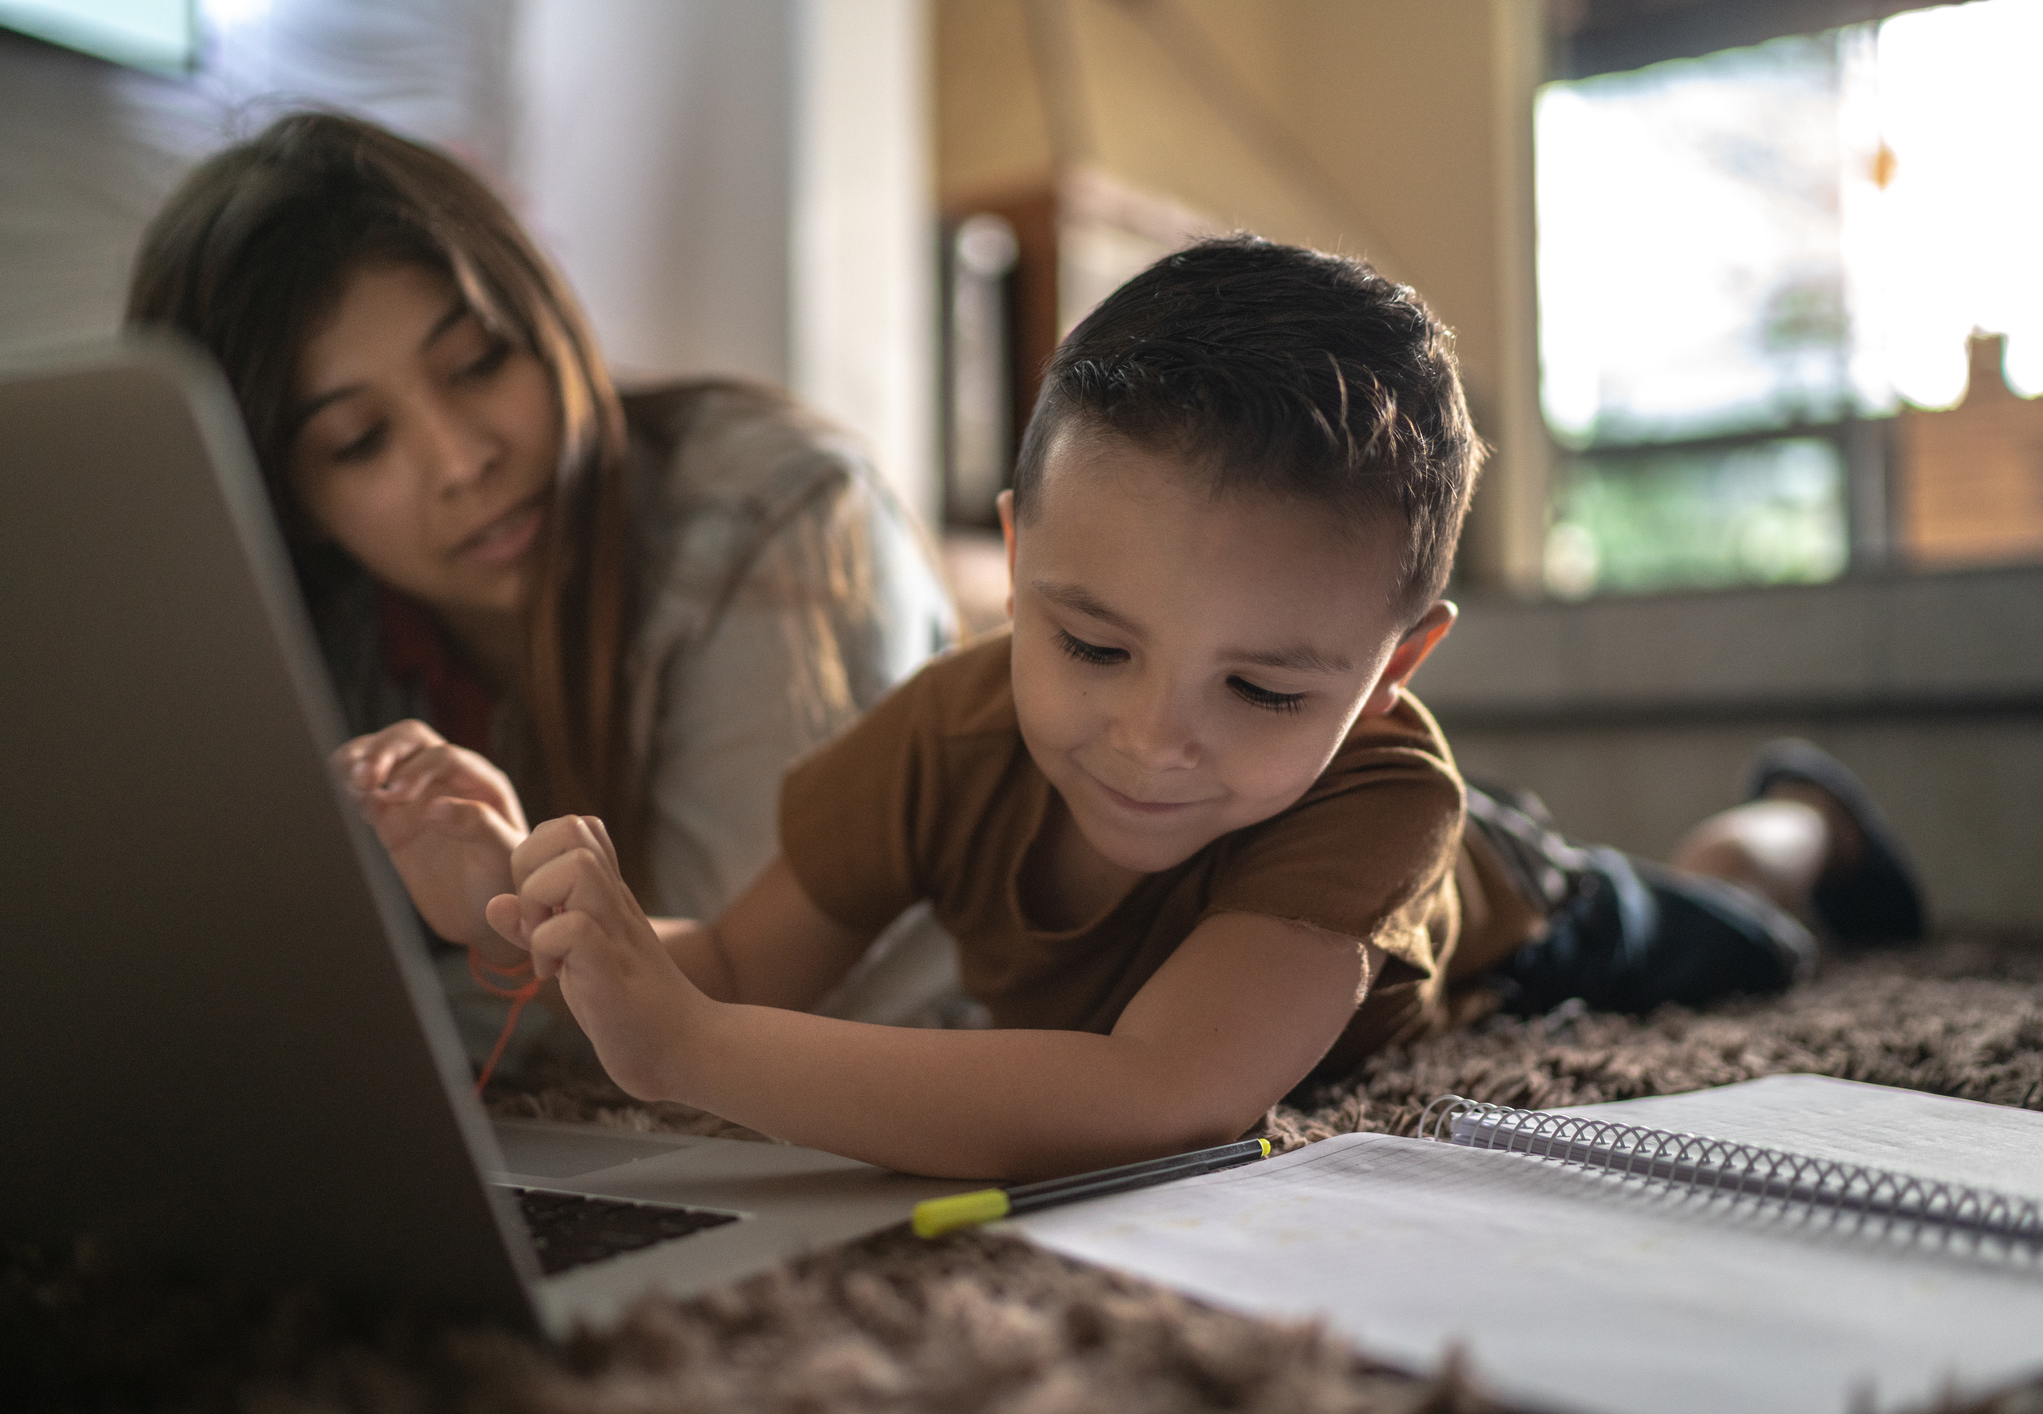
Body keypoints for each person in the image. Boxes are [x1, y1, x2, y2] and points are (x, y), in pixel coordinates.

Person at [398, 237, 1927, 1180]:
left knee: (1749, 939)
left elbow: (1160, 1089)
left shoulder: (1385, 792)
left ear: (1393, 674)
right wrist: (540, 910)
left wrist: (699, 1052)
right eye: (1092, 644)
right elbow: (728, 960)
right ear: (1015, 562)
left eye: (1263, 686)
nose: (1150, 739)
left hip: (1528, 926)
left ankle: (1803, 819)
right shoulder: (947, 733)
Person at [124, 111, 959, 1071]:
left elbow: (741, 994)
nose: (462, 459)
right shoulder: (316, 626)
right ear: (291, 503)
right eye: (359, 440)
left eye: (479, 362)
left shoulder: (777, 511)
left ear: (550, 321)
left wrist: (359, 1010)